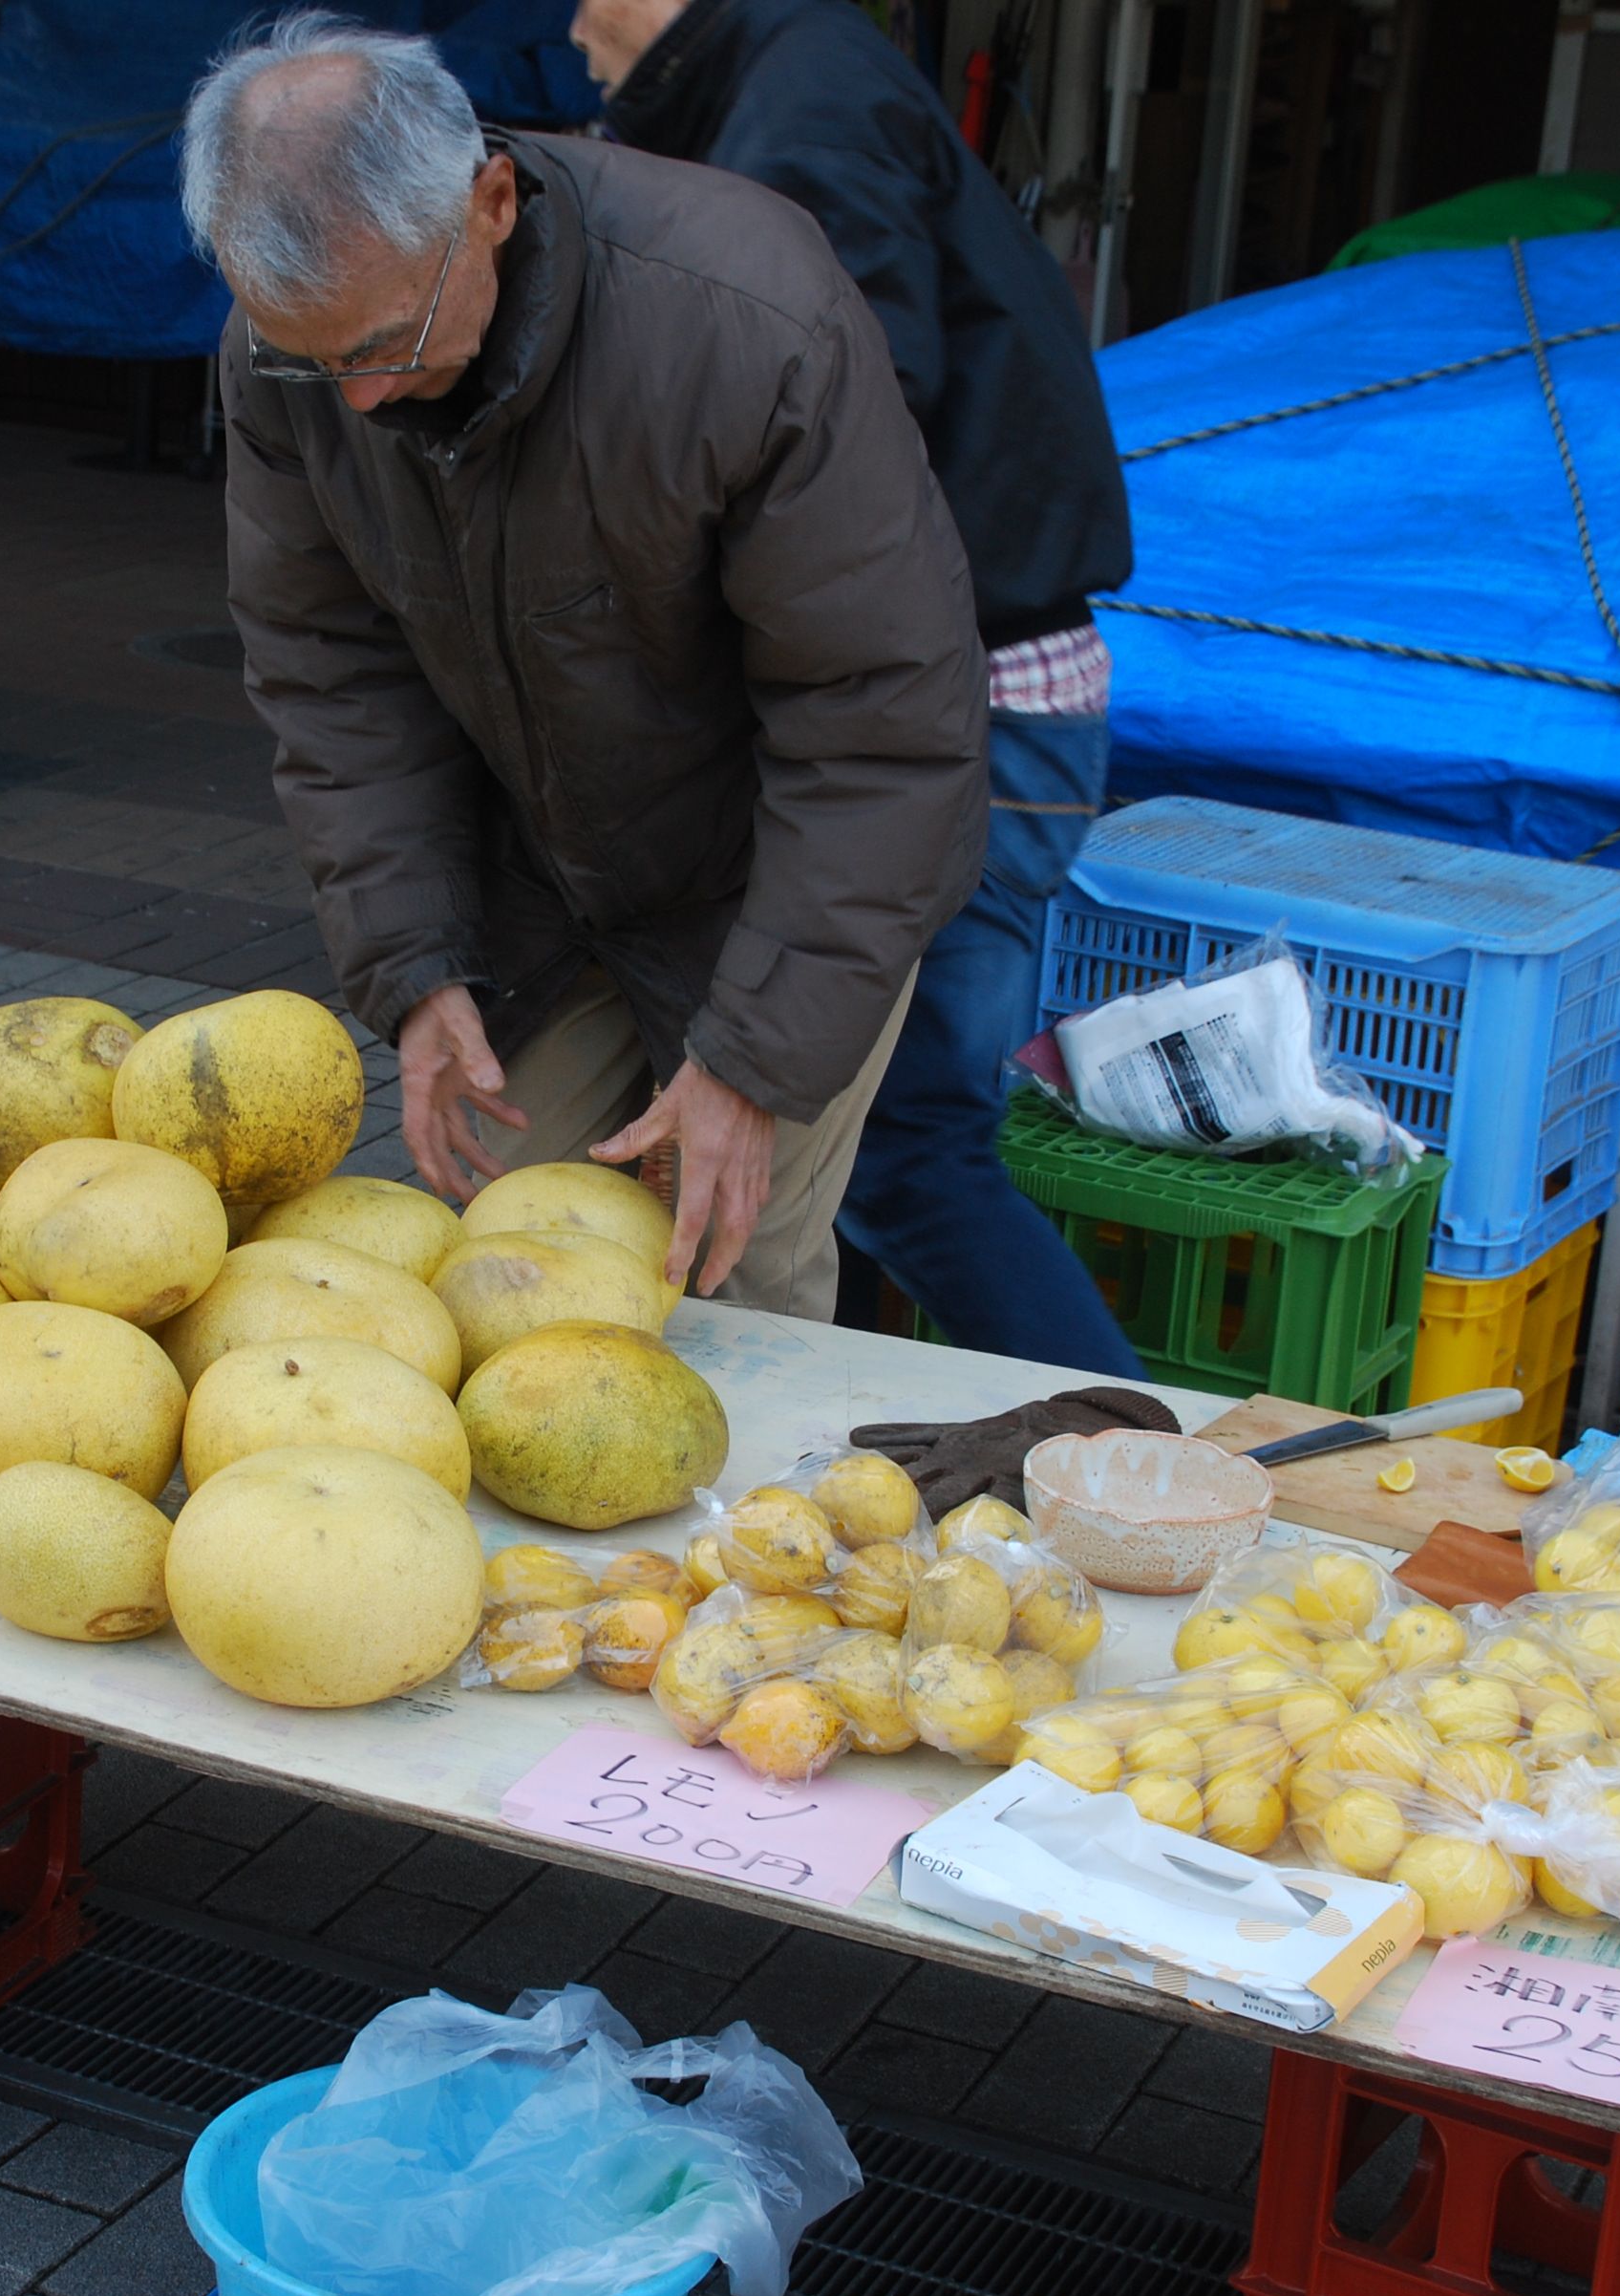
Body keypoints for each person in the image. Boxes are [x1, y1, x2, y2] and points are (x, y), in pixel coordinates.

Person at [181, 12, 986, 1318]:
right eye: (311, 358)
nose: (359, 403)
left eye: (384, 343)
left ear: (488, 201)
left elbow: (878, 723)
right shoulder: (292, 360)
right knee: (507, 1270)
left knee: (730, 1271)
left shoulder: (743, 318)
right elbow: (335, 680)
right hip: (540, 871)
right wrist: (416, 962)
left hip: (769, 869)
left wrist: (753, 1059)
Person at [577, 0, 1144, 1377]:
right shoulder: (780, 82)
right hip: (973, 697)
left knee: (901, 1152)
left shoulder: (803, 102)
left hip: (956, 714)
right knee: (889, 1150)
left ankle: (1136, 1454)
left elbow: (824, 412)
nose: (570, 21)